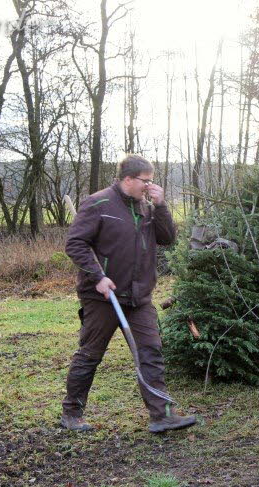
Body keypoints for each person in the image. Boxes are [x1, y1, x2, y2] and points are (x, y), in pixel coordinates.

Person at [61, 154, 196, 433]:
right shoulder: (98, 204)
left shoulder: (146, 207)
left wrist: (161, 206)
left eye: (151, 181)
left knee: (151, 351)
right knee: (90, 354)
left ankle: (162, 415)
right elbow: (75, 244)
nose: (150, 186)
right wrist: (97, 276)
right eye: (145, 181)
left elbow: (168, 239)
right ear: (128, 179)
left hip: (139, 296)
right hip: (102, 297)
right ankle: (71, 413)